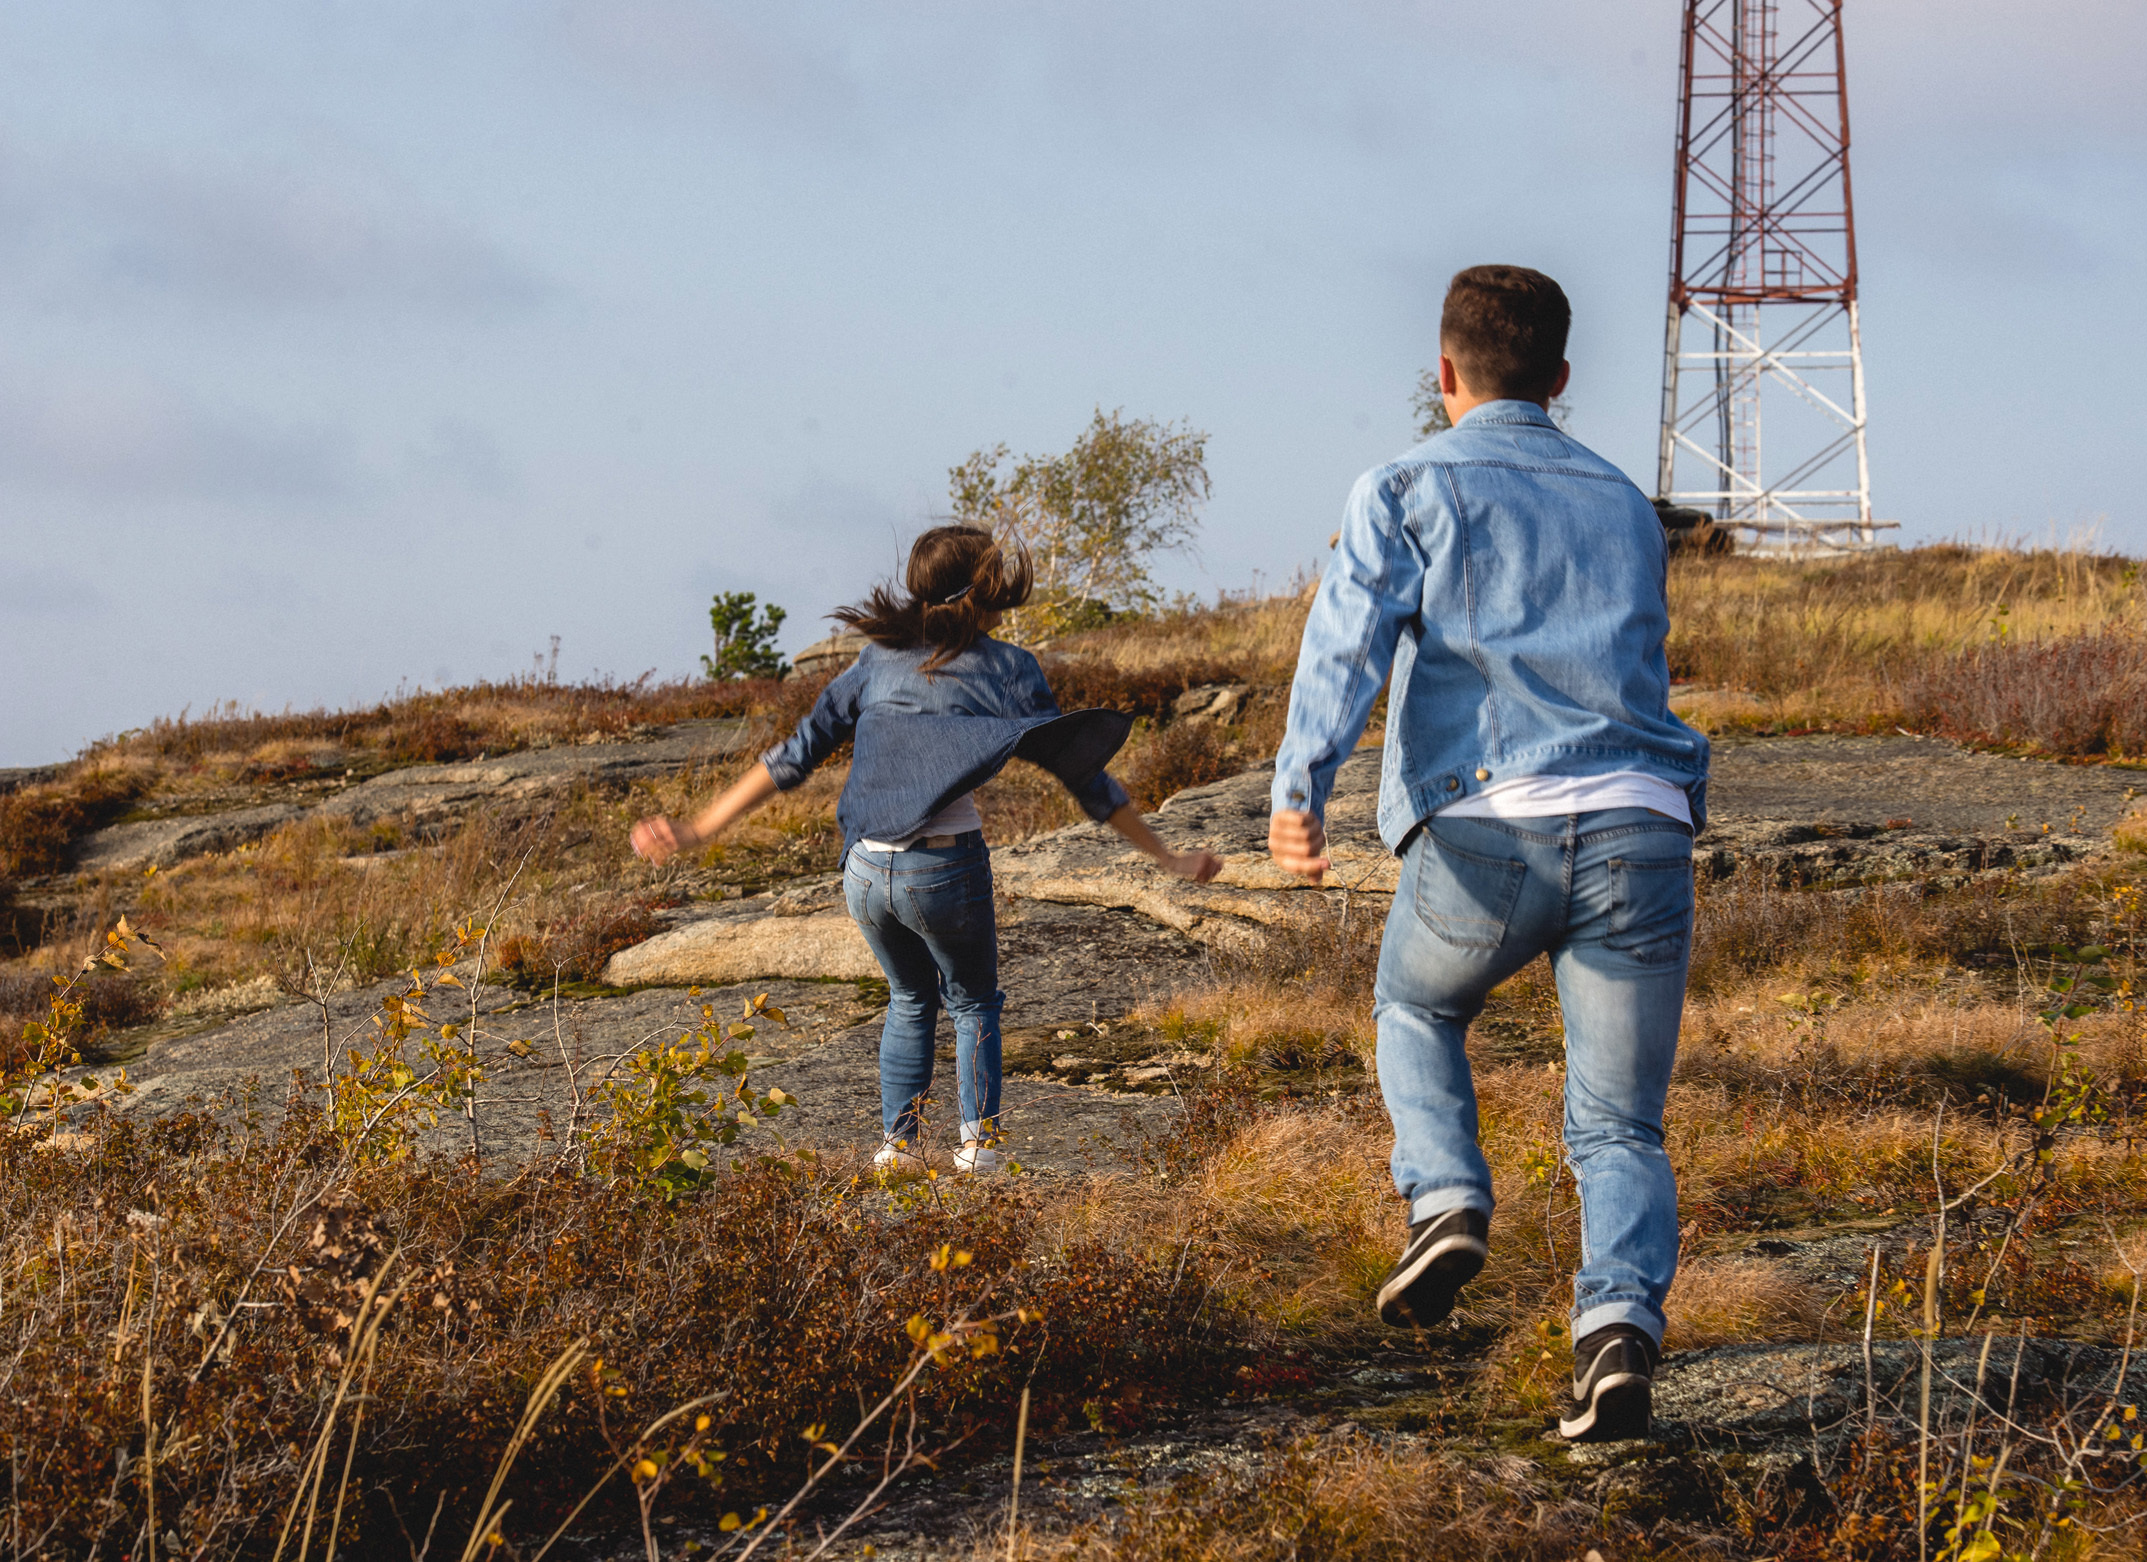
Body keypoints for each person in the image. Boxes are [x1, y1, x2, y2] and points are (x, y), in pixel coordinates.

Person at [1268, 266, 1709, 1443]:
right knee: (1620, 1123)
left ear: (1444, 372)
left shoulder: (1405, 484)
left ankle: (1448, 1200)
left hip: (1490, 826)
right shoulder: (1626, 504)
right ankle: (1615, 1333)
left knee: (1416, 1008)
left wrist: (1300, 787)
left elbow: (1346, 644)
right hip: (1642, 827)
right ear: (1560, 377)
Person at [634, 524, 1222, 1175]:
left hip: (864, 871)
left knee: (910, 998)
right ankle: (978, 1149)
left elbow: (793, 757)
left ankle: (899, 1149)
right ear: (984, 591)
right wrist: (1166, 857)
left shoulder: (875, 660)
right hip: (944, 868)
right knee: (972, 1002)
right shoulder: (1008, 667)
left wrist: (698, 828)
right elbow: (1086, 779)